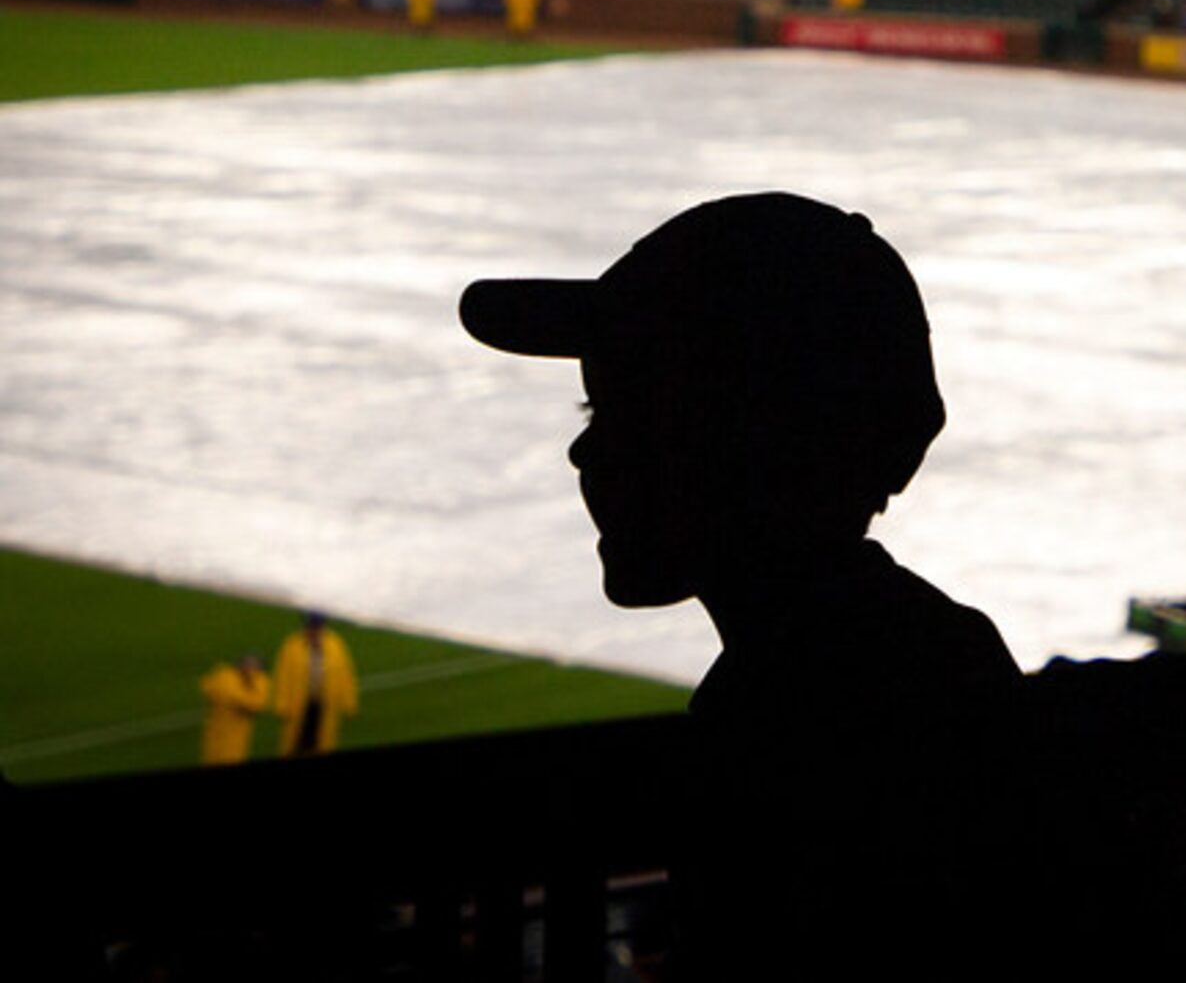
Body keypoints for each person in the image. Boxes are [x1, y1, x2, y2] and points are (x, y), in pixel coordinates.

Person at [459, 192, 1027, 979]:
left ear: (749, 438)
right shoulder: (917, 653)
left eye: (631, 412)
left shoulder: (801, 718)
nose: (585, 455)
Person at [272, 613, 358, 756]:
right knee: (295, 742)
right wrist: (281, 704)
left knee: (321, 741)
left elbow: (345, 675)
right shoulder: (292, 645)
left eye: (317, 627)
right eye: (310, 626)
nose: (313, 631)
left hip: (324, 705)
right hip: (298, 705)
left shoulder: (336, 645)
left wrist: (349, 703)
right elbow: (282, 675)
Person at [198, 651, 270, 765]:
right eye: (246, 662)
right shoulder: (226, 676)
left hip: (234, 739)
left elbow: (255, 705)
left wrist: (233, 692)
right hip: (215, 734)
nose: (248, 667)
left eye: (253, 665)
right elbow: (207, 687)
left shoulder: (260, 683)